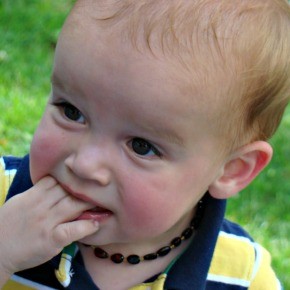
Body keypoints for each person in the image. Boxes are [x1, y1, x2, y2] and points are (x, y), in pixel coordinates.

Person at [1, 0, 290, 289]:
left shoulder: (243, 276)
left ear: (231, 170)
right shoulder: (4, 199)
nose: (85, 164)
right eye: (71, 111)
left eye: (141, 146)